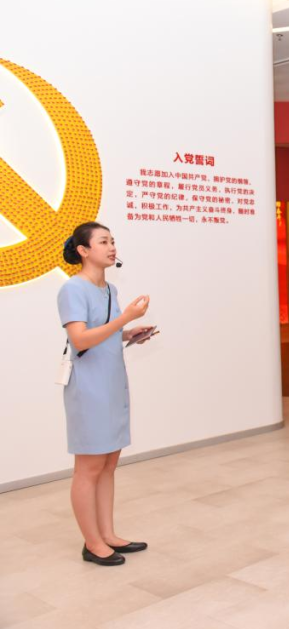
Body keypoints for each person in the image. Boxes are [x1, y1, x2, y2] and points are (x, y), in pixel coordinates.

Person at [58, 222, 154, 566]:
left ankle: (108, 535)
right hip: (89, 387)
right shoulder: (73, 288)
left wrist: (128, 333)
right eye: (103, 242)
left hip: (112, 382)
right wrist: (124, 319)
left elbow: (103, 332)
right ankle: (92, 542)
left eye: (112, 241)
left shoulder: (110, 288)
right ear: (83, 251)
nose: (112, 247)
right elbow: (80, 339)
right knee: (89, 467)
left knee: (109, 463)